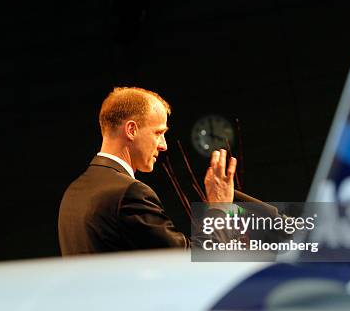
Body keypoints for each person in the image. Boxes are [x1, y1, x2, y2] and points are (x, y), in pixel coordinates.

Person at [58, 87, 236, 255]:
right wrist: (219, 208)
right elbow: (190, 264)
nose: (163, 145)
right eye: (158, 133)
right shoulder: (130, 194)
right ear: (131, 129)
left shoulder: (73, 191)